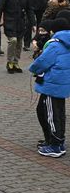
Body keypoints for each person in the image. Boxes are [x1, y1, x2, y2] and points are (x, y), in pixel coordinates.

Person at [29, 17, 69, 158]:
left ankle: (55, 145)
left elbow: (42, 61)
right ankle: (58, 141)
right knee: (59, 114)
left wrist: (33, 68)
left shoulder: (55, 44)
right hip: (62, 85)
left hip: (52, 85)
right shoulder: (67, 43)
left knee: (51, 114)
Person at [0, 0, 36, 74]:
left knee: (19, 43)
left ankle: (16, 62)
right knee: (13, 40)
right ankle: (9, 62)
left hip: (21, 22)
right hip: (9, 21)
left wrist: (33, 23)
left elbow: (29, 10)